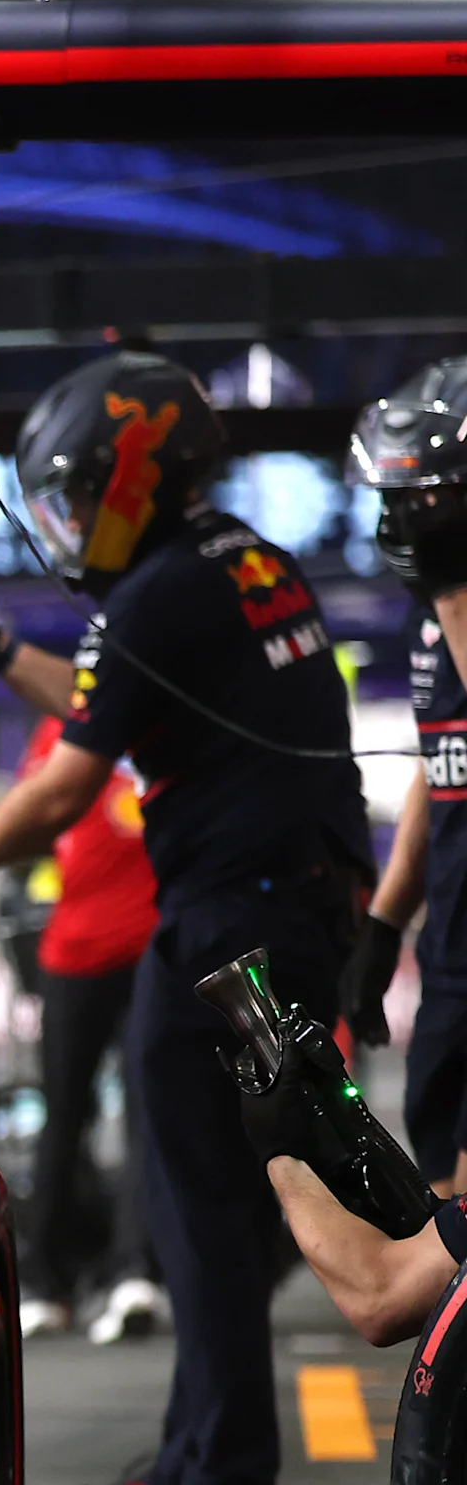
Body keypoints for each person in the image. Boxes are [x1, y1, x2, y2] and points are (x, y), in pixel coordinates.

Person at [0, 351, 371, 1485]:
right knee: (210, 1198)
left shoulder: (153, 592)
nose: (56, 527)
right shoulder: (240, 558)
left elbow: (63, 784)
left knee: (196, 1205)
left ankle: (224, 1482)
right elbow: (113, 700)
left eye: (63, 499)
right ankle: (197, 1453)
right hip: (280, 912)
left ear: (123, 482)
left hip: (225, 924)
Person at [1, 710, 167, 1344]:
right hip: (72, 956)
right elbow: (32, 821)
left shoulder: (166, 720)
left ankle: (133, 1274)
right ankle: (44, 1281)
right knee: (63, 1118)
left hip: (153, 953)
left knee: (147, 1118)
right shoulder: (54, 730)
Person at [345, 357, 467, 1193]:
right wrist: (385, 923)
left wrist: (454, 594)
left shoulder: (451, 603)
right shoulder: (436, 611)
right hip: (452, 957)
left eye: (426, 497)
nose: (404, 519)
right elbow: (444, 761)